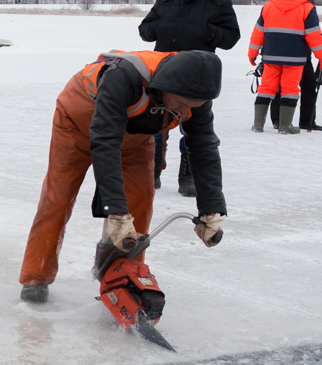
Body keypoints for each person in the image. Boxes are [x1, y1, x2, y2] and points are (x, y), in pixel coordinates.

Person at [19, 50, 226, 303]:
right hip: (77, 125)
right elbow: (105, 141)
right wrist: (114, 210)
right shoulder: (123, 77)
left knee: (140, 200)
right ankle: (35, 276)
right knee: (58, 196)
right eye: (182, 103)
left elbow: (204, 148)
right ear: (166, 86)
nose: (186, 110)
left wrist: (210, 209)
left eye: (193, 106)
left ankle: (124, 277)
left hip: (135, 140)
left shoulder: (195, 99)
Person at [137, 0, 238, 197]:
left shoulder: (219, 2)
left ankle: (188, 175)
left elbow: (231, 38)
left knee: (193, 126)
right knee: (156, 124)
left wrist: (206, 30)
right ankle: (153, 170)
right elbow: (145, 30)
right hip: (163, 70)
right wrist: (160, 27)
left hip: (197, 73)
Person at [248, 0, 322, 135]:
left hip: (270, 56)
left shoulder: (269, 6)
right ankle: (285, 126)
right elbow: (314, 37)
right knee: (290, 88)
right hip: (295, 58)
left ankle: (258, 125)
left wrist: (252, 53)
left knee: (266, 87)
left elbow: (258, 33)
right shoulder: (307, 8)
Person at [272, 0, 322, 132]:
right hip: (297, 53)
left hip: (296, 52)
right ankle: (286, 120)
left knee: (305, 85)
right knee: (286, 87)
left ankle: (301, 120)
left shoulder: (301, 2)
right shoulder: (304, 4)